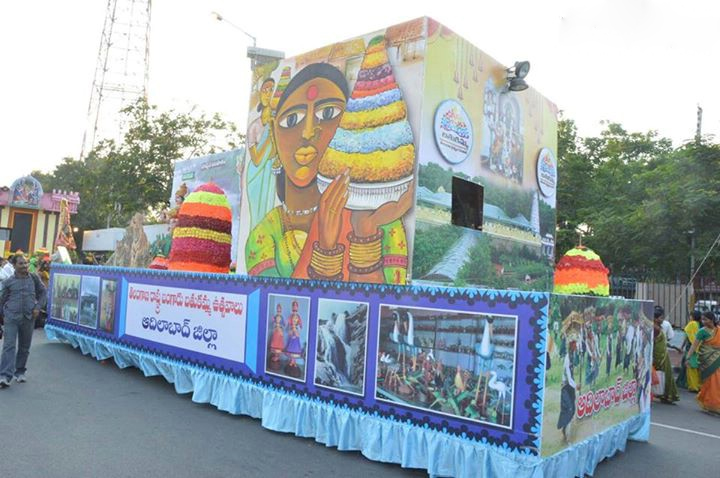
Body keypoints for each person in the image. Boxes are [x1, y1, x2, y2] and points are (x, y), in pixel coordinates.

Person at [0, 254, 46, 387]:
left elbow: (43, 293)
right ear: (14, 265)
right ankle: (4, 376)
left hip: (29, 317)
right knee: (9, 346)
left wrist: (38, 307)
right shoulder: (8, 282)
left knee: (24, 347)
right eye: (21, 263)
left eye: (26, 263)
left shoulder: (34, 278)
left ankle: (19, 372)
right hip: (11, 318)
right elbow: (2, 300)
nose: (25, 266)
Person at [685, 311, 720, 414]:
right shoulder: (702, 331)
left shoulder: (718, 330)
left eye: (706, 319)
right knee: (711, 381)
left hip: (718, 358)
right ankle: (712, 403)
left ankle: (712, 401)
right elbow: (694, 345)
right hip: (707, 360)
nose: (703, 321)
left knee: (717, 381)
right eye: (702, 319)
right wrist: (688, 357)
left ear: (712, 319)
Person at [652, 309, 680, 403]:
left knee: (666, 375)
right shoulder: (654, 328)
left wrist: (674, 347)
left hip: (663, 354)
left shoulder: (658, 327)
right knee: (662, 375)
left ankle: (667, 395)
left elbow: (663, 342)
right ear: (655, 319)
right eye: (661, 318)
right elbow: (653, 343)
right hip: (658, 356)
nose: (662, 320)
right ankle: (663, 394)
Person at [678, 310, 703, 392]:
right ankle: (698, 385)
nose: (690, 317)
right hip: (700, 349)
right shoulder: (700, 325)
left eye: (691, 316)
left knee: (690, 367)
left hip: (691, 348)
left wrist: (681, 347)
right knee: (696, 368)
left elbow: (687, 337)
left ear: (693, 316)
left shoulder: (691, 324)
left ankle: (693, 386)